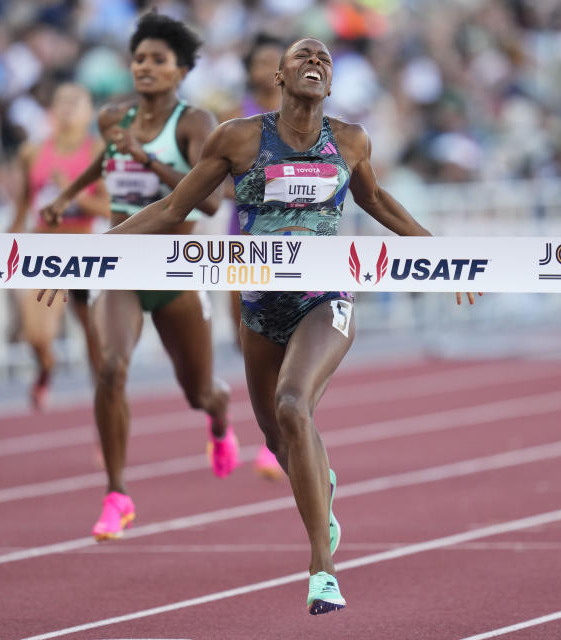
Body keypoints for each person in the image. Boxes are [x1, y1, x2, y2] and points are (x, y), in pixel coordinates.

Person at [53, 37, 477, 615]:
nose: (315, 63)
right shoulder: (239, 138)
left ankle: (321, 571)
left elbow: (379, 203)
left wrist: (438, 254)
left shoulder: (349, 141)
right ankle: (319, 486)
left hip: (324, 299)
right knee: (281, 438)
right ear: (278, 76)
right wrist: (89, 255)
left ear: (331, 83)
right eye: (303, 56)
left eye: (324, 60)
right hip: (259, 307)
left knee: (292, 405)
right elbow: (174, 208)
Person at [39, 11, 234, 541]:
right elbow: (106, 158)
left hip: (175, 269)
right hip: (121, 264)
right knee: (111, 368)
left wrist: (147, 158)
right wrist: (65, 196)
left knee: (199, 393)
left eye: (158, 60)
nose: (145, 67)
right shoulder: (114, 117)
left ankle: (219, 419)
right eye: (139, 59)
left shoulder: (196, 124)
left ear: (182, 70)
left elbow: (212, 203)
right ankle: (117, 494)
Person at [9, 82, 108, 410]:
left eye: (74, 103)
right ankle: (45, 365)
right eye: (60, 102)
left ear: (88, 112)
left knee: (95, 342)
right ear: (51, 111)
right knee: (35, 334)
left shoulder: (97, 152)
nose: (66, 108)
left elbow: (108, 208)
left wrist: (72, 192)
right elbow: (23, 205)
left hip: (84, 250)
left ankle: (103, 416)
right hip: (43, 250)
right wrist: (9, 241)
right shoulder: (33, 152)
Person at [224, 34, 288, 482]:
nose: (267, 69)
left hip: (291, 236)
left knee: (291, 334)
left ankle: (282, 433)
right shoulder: (235, 119)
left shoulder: (302, 115)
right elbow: (213, 180)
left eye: (274, 61)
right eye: (260, 61)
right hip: (242, 235)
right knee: (248, 337)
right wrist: (255, 187)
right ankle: (271, 426)